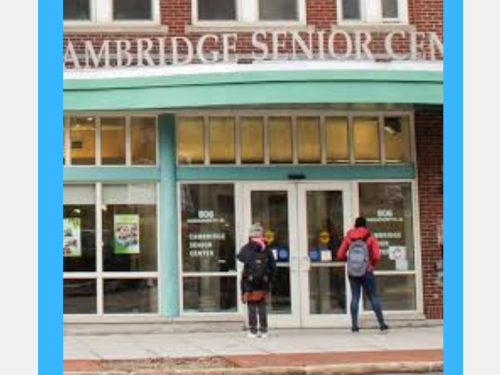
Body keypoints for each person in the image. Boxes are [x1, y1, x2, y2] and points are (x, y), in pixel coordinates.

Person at [337, 217, 390, 333]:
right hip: (367, 270)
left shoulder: (348, 238)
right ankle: (382, 324)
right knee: (373, 297)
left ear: (355, 225)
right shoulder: (370, 238)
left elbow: (340, 255)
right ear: (365, 226)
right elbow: (377, 256)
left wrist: (350, 261)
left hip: (352, 271)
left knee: (355, 297)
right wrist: (371, 264)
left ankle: (355, 326)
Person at [237, 223, 277, 338]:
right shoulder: (266, 248)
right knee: (262, 305)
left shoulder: (247, 247)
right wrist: (270, 279)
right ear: (261, 234)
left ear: (250, 235)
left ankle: (253, 330)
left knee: (251, 305)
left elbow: (239, 257)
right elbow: (273, 266)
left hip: (250, 282)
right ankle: (264, 330)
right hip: (263, 282)